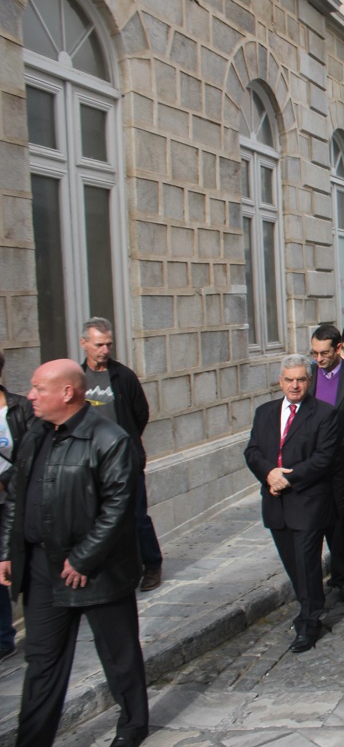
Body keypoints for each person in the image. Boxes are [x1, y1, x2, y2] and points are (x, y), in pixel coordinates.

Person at [0, 360, 149, 747]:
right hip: (41, 569)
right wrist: (7, 551)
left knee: (118, 655)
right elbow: (16, 496)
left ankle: (133, 726)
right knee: (42, 661)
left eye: (38, 388)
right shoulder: (35, 433)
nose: (30, 396)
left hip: (98, 571)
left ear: (67, 393)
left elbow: (118, 507)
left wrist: (84, 558)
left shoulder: (109, 438)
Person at [244, 355, 341, 652]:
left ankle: (310, 621)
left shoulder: (324, 414)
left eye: (300, 379)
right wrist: (269, 475)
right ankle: (307, 604)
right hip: (275, 503)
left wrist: (287, 478)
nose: (295, 385)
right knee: (293, 565)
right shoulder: (265, 412)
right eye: (289, 380)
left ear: (309, 381)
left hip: (308, 502)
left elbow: (323, 458)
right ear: (280, 381)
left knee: (307, 563)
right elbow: (252, 451)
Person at [78, 318, 163, 592]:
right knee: (100, 518)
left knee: (136, 516)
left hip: (124, 460)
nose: (104, 350)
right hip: (91, 463)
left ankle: (152, 564)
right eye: (99, 345)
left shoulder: (123, 376)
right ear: (84, 344)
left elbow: (140, 414)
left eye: (109, 344)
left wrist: (126, 444)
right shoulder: (78, 378)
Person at [309, 325, 344, 601]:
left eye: (324, 353)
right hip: (313, 462)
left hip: (343, 460)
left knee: (342, 521)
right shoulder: (307, 375)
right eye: (314, 353)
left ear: (339, 349)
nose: (319, 359)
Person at [0, 349, 32, 662]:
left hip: (13, 501)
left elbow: (29, 456)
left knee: (16, 562)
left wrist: (4, 481)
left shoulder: (20, 407)